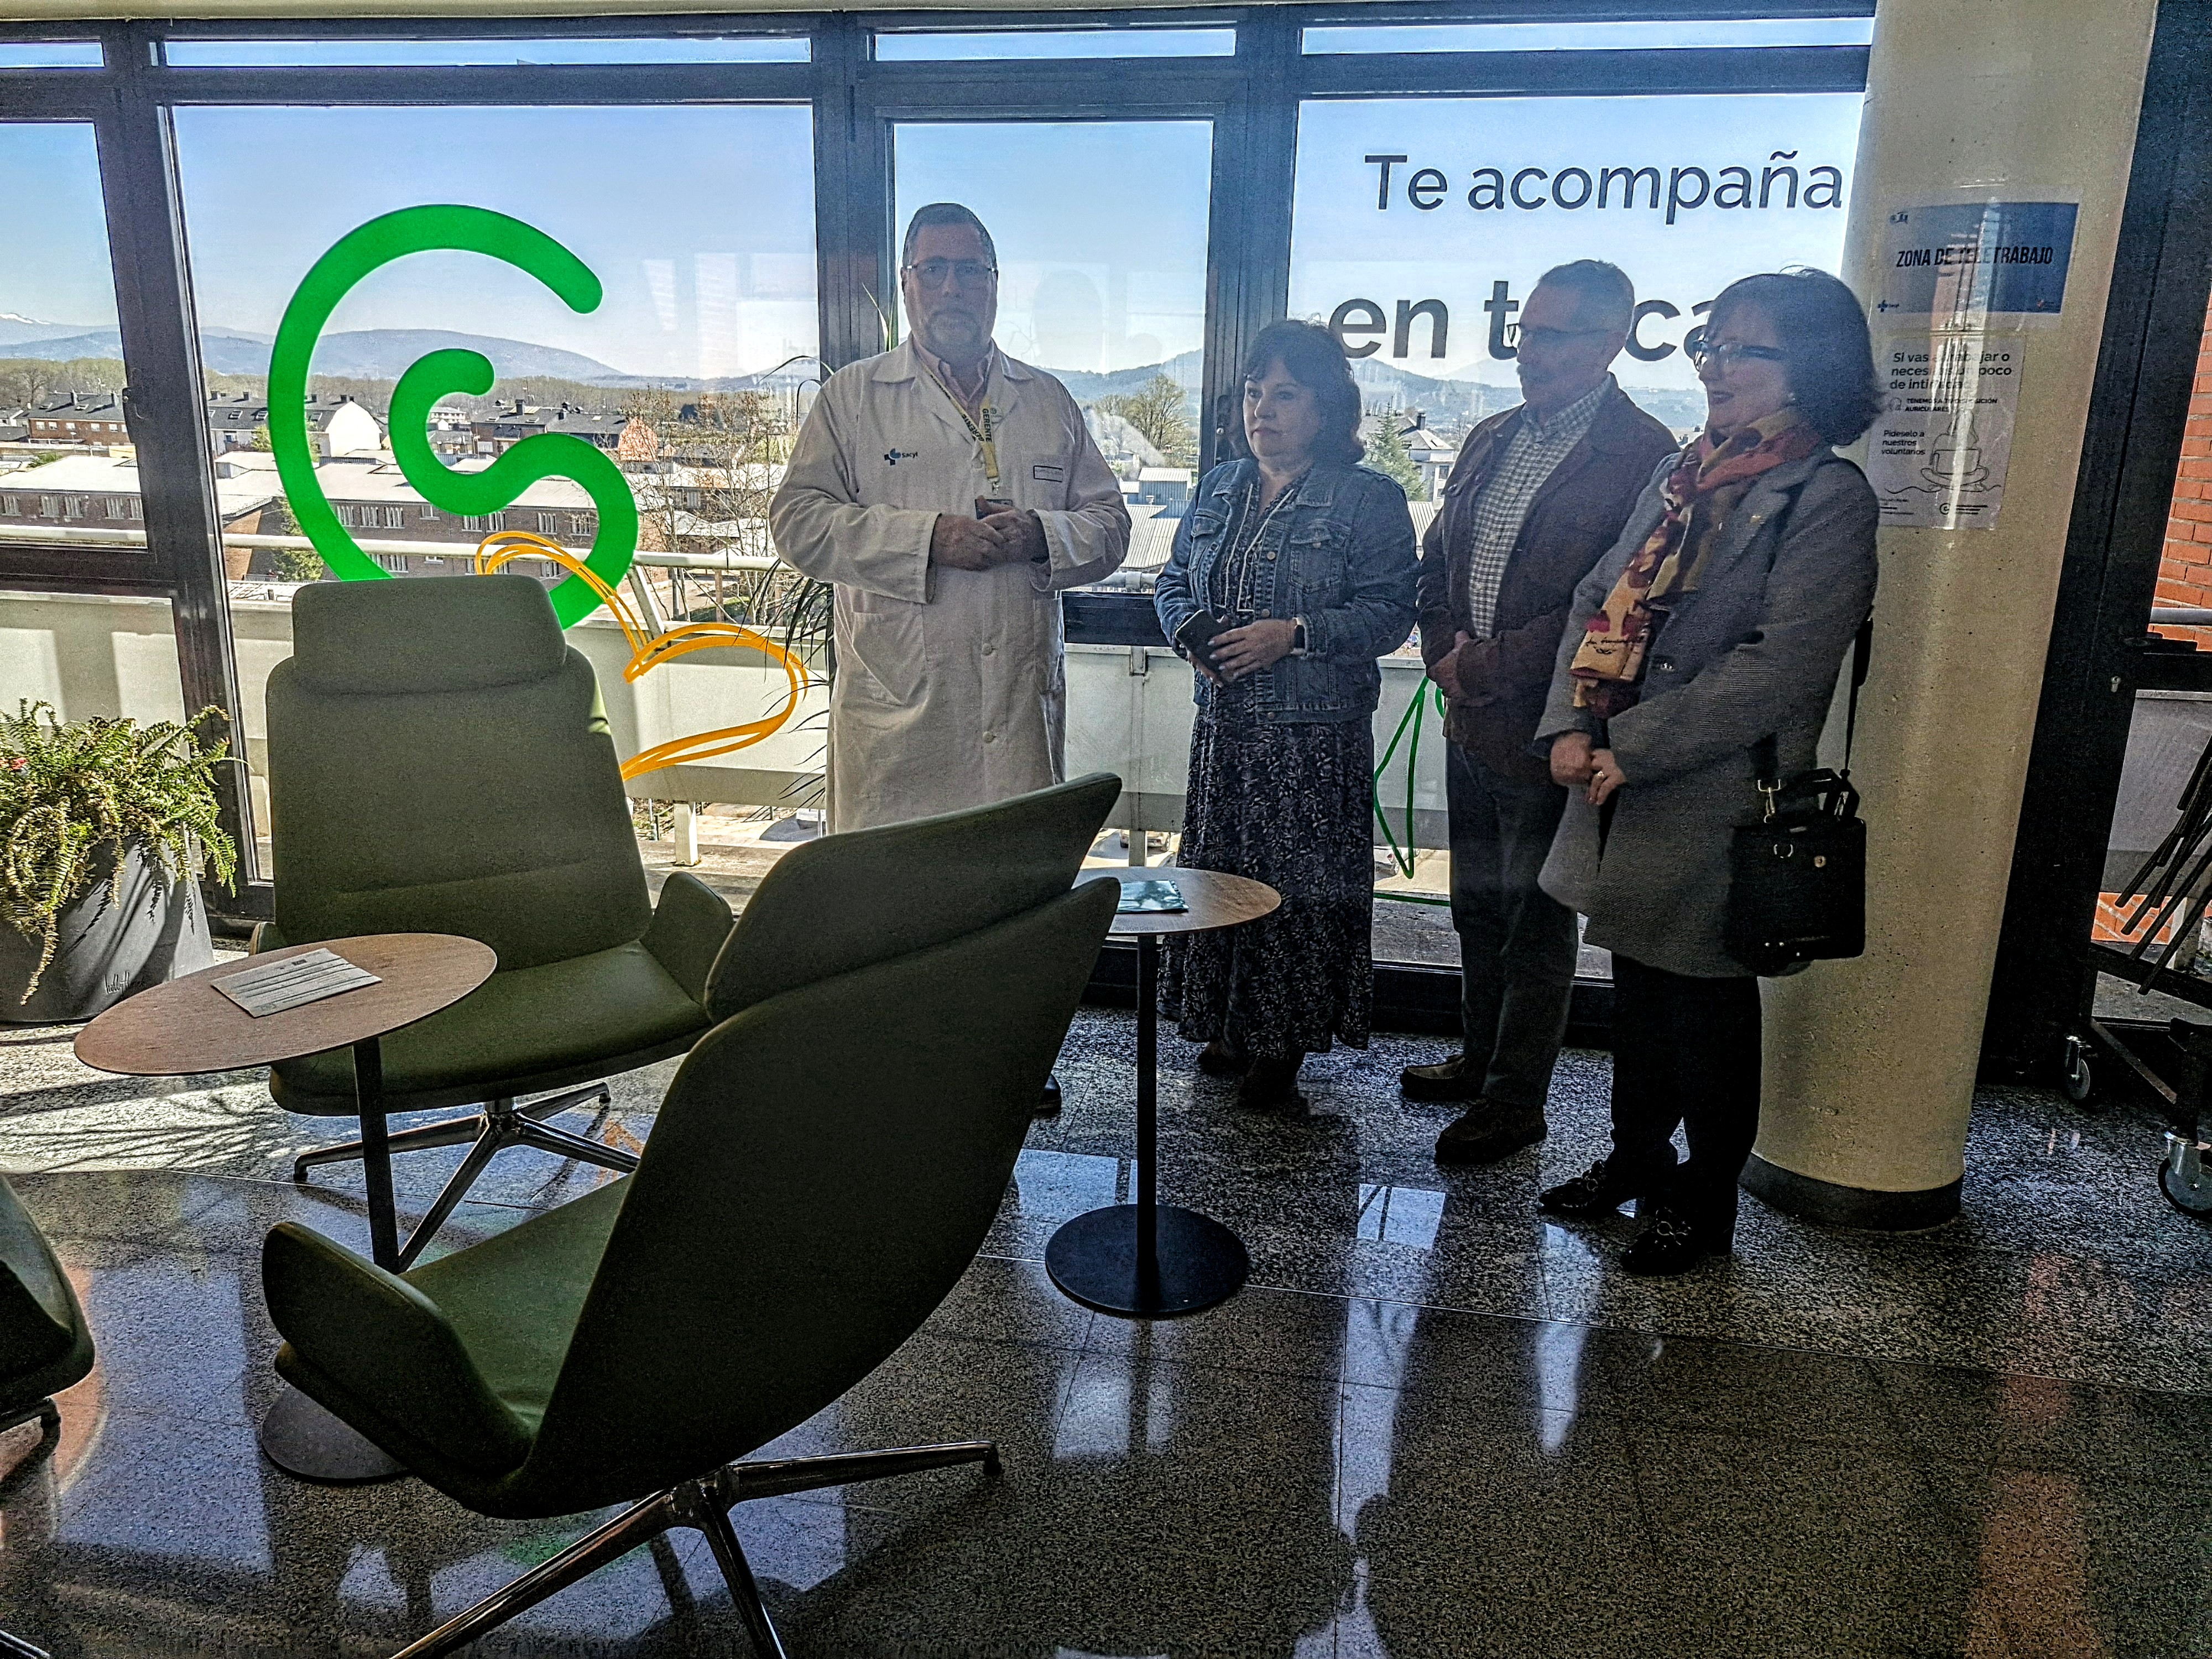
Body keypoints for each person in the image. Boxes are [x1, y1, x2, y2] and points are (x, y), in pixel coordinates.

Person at [1531, 268, 1882, 1275]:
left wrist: (1624, 748)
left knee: (1709, 1012)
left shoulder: (1827, 497)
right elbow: (1599, 596)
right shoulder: (1687, 472)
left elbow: (1776, 669)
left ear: (1810, 367)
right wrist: (1568, 720)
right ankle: (1635, 1161)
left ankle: (1705, 1198)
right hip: (1619, 783)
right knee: (1641, 994)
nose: (1718, 366)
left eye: (1745, 349)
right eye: (1710, 346)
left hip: (1717, 793)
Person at [1400, 260, 1678, 1166]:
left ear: (1609, 342)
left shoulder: (1644, 455)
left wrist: (1475, 663)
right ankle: (1480, 1062)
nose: (1529, 351)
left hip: (1546, 728)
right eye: (1525, 332)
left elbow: (1603, 613)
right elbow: (1436, 557)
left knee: (1533, 920)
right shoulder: (1489, 436)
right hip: (1470, 718)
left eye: (1553, 335)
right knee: (1476, 906)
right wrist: (1443, 644)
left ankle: (1518, 1101)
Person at [769, 201, 1131, 834]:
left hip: (1017, 721)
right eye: (932, 269)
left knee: (1009, 909)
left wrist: (1041, 534)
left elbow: (1111, 524)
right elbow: (797, 523)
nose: (951, 288)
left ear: (995, 284)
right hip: (899, 727)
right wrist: (927, 538)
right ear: (906, 284)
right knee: (900, 916)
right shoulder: (853, 398)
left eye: (970, 271)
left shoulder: (1047, 400)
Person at [1154, 320, 1418, 1109]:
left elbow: (1390, 615)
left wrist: (1295, 635)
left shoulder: (1369, 498)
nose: (1262, 410)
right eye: (1253, 393)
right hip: (1226, 737)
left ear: (1328, 407)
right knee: (1223, 882)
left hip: (1314, 741)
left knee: (1299, 893)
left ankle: (1282, 1045)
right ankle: (1229, 1023)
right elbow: (1172, 583)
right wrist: (1189, 630)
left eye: (1286, 395)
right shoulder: (1219, 485)